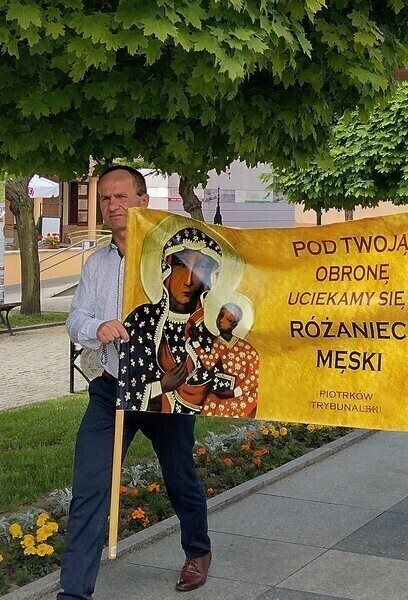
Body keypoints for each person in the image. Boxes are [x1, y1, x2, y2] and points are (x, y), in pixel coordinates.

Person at [62, 166, 212, 600]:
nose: (113, 205)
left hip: (165, 393)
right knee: (90, 486)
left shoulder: (175, 260)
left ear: (143, 201)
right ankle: (74, 591)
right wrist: (98, 328)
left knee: (179, 475)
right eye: (105, 198)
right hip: (111, 388)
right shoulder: (97, 264)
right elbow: (75, 320)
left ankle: (198, 551)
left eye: (121, 196)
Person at [119, 226, 224, 414]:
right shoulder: (142, 320)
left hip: (184, 423)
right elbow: (129, 381)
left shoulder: (211, 326)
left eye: (200, 267)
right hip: (138, 414)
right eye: (181, 265)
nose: (189, 280)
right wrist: (161, 386)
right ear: (166, 268)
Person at [193, 303, 260, 418]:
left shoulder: (247, 348)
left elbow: (254, 377)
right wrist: (196, 343)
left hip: (243, 393)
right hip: (225, 389)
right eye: (220, 316)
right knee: (211, 404)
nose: (221, 321)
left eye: (228, 319)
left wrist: (235, 392)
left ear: (234, 324)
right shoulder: (218, 343)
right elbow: (209, 364)